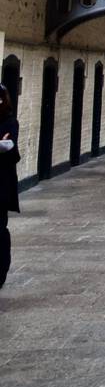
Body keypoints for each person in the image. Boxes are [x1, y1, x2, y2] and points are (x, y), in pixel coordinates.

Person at [0, 84, 20, 290]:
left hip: (2, 185)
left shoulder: (10, 122)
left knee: (0, 229)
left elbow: (10, 148)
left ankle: (1, 270)